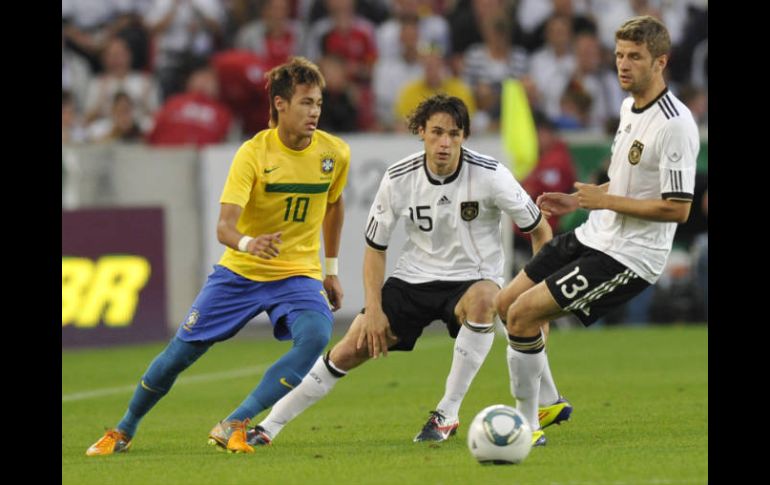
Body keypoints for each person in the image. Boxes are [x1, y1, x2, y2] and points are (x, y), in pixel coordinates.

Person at [242, 93, 553, 447]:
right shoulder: (398, 177)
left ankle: (447, 414)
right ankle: (269, 427)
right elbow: (375, 249)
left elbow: (540, 229)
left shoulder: (491, 174)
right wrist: (373, 310)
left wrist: (534, 294)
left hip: (473, 279)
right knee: (348, 350)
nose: (444, 143)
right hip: (413, 279)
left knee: (485, 299)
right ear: (421, 131)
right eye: (436, 132)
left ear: (464, 136)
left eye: (453, 134)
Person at [86, 57, 351, 455]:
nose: (314, 112)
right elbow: (224, 227)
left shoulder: (335, 153)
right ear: (280, 104)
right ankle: (124, 429)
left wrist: (330, 269)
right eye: (305, 103)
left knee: (316, 335)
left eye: (317, 103)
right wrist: (249, 243)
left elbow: (334, 205)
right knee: (178, 356)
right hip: (241, 272)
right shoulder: (253, 154)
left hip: (297, 274)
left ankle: (234, 423)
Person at [494, 15, 699, 447]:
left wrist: (605, 201)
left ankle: (526, 424)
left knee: (524, 315)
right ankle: (549, 400)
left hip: (629, 254)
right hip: (595, 232)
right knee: (505, 303)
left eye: (635, 57)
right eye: (620, 55)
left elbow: (677, 208)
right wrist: (577, 200)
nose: (623, 65)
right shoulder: (628, 107)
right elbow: (626, 183)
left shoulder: (676, 124)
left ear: (661, 61)